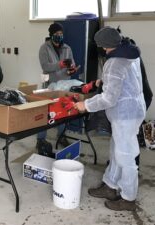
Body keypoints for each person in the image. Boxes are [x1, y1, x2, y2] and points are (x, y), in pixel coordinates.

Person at [74, 27, 146, 211]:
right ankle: (110, 185)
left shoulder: (114, 62)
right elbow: (125, 81)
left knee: (125, 157)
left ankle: (128, 198)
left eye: (101, 46)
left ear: (105, 45)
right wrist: (102, 82)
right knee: (117, 151)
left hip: (125, 113)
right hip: (133, 109)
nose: (102, 49)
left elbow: (108, 98)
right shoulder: (130, 52)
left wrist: (86, 105)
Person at [37, 22, 79, 150]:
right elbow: (45, 66)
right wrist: (59, 64)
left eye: (61, 34)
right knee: (46, 113)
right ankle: (40, 140)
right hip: (50, 85)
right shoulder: (44, 48)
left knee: (64, 112)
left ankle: (61, 136)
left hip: (64, 84)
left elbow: (72, 64)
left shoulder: (67, 48)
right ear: (51, 35)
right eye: (56, 34)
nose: (59, 36)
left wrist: (72, 70)